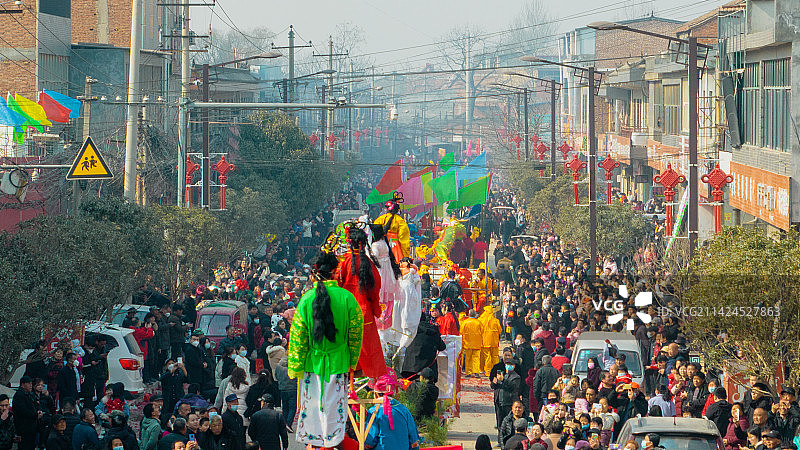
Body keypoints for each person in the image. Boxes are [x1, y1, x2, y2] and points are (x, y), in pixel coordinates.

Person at [288, 250, 364, 448]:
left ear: (313, 273)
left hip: (311, 366)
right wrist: (352, 362)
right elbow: (356, 336)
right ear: (335, 272)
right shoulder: (348, 299)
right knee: (333, 414)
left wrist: (295, 367)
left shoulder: (306, 299)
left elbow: (297, 338)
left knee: (312, 413)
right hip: (338, 365)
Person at [336, 227, 387, 379]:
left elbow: (336, 285)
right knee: (368, 351)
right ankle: (370, 384)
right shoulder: (369, 264)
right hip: (365, 314)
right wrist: (376, 310)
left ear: (348, 243)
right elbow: (375, 288)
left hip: (345, 313)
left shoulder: (343, 263)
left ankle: (348, 383)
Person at [364, 371, 421, 450]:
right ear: (393, 393)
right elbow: (414, 439)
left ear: (375, 393)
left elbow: (369, 440)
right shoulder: (404, 410)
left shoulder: (374, 411)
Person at [401, 312, 446, 383]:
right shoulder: (433, 330)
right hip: (428, 369)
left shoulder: (410, 330)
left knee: (409, 389)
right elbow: (442, 347)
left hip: (410, 367)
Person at [492, 352, 521, 444]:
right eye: (507, 364)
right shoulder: (502, 375)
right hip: (499, 402)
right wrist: (494, 382)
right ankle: (500, 440)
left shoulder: (516, 377)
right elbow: (494, 387)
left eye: (511, 364)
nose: (509, 366)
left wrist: (503, 380)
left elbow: (513, 387)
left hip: (509, 403)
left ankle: (509, 440)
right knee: (500, 423)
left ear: (514, 366)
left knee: (509, 423)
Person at [13, 376, 38, 450]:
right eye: (28, 383)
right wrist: (35, 415)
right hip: (24, 429)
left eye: (31, 383)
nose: (31, 385)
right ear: (22, 384)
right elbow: (23, 411)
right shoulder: (19, 395)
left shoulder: (29, 395)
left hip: (31, 428)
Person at [272, 358, 297, 431]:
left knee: (285, 407)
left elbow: (276, 376)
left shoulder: (278, 366)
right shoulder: (294, 366)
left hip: (282, 388)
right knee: (292, 408)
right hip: (293, 389)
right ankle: (288, 424)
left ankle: (284, 423)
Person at [480, 306, 502, 377]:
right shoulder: (496, 321)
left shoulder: (481, 320)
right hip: (494, 342)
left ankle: (488, 372)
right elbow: (500, 330)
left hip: (485, 342)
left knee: (487, 357)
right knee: (495, 357)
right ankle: (496, 371)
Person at [461, 310, 484, 377]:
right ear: (475, 315)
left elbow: (462, 331)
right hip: (477, 342)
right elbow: (482, 331)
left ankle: (468, 372)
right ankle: (476, 372)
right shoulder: (478, 322)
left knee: (468, 358)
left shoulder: (465, 322)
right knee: (476, 358)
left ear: (469, 314)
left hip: (468, 343)